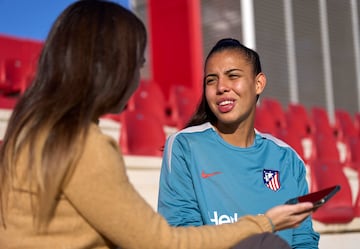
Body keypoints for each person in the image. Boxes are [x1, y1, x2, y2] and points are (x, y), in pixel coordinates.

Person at [0, 1, 314, 248]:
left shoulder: (29, 134)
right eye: (137, 65)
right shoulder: (83, 145)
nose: (139, 79)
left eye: (234, 77)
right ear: (111, 67)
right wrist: (265, 223)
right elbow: (161, 243)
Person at [157, 38, 320, 248]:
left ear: (258, 83)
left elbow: (303, 240)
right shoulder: (185, 146)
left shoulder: (287, 158)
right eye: (211, 80)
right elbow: (182, 236)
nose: (221, 87)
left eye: (233, 76)